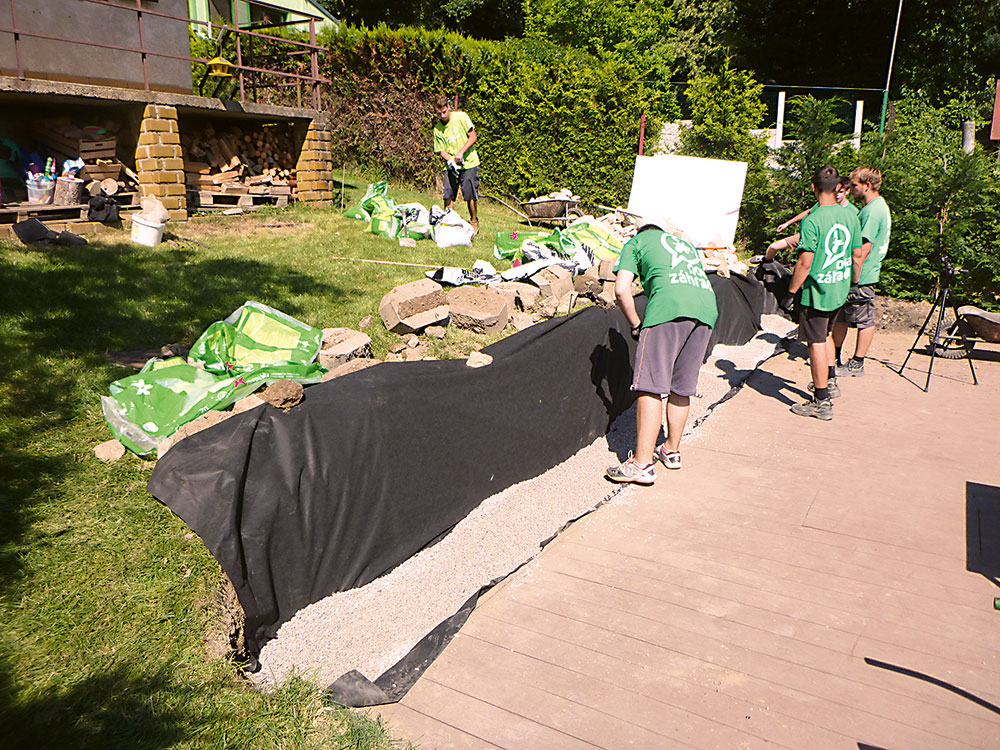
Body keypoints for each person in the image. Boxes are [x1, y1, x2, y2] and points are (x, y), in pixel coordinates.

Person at [605, 224, 719, 485]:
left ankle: (642, 465)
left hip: (668, 309)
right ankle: (671, 450)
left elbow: (621, 289)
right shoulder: (684, 245)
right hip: (706, 310)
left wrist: (636, 324)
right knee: (681, 386)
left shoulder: (637, 242)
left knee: (650, 386)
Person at [787, 166, 862, 420]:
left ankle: (821, 401)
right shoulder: (850, 215)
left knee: (816, 342)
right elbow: (857, 254)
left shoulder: (813, 220)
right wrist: (852, 281)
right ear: (838, 187)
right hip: (839, 288)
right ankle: (829, 381)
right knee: (827, 334)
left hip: (818, 291)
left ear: (813, 187)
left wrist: (792, 291)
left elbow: (805, 263)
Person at [833, 166, 891, 377]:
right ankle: (834, 357)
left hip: (862, 276)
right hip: (857, 274)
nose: (852, 188)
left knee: (864, 319)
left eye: (855, 185)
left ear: (867, 185)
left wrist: (854, 281)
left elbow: (862, 250)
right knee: (841, 317)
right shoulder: (874, 207)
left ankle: (857, 362)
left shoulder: (872, 211)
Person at [765, 176, 856, 261]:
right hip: (813, 235)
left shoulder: (852, 212)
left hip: (831, 241)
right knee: (774, 246)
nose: (837, 195)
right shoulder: (827, 203)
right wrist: (787, 223)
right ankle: (765, 264)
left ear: (847, 191)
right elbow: (809, 212)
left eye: (840, 192)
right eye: (834, 192)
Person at [432, 95, 480, 233]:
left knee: (469, 195)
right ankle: (448, 223)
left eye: (444, 112)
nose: (442, 116)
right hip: (451, 166)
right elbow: (441, 150)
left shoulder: (461, 117)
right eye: (438, 113)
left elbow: (473, 137)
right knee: (448, 194)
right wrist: (450, 160)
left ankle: (474, 221)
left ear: (448, 107)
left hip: (469, 163)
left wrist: (461, 153)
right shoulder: (438, 129)